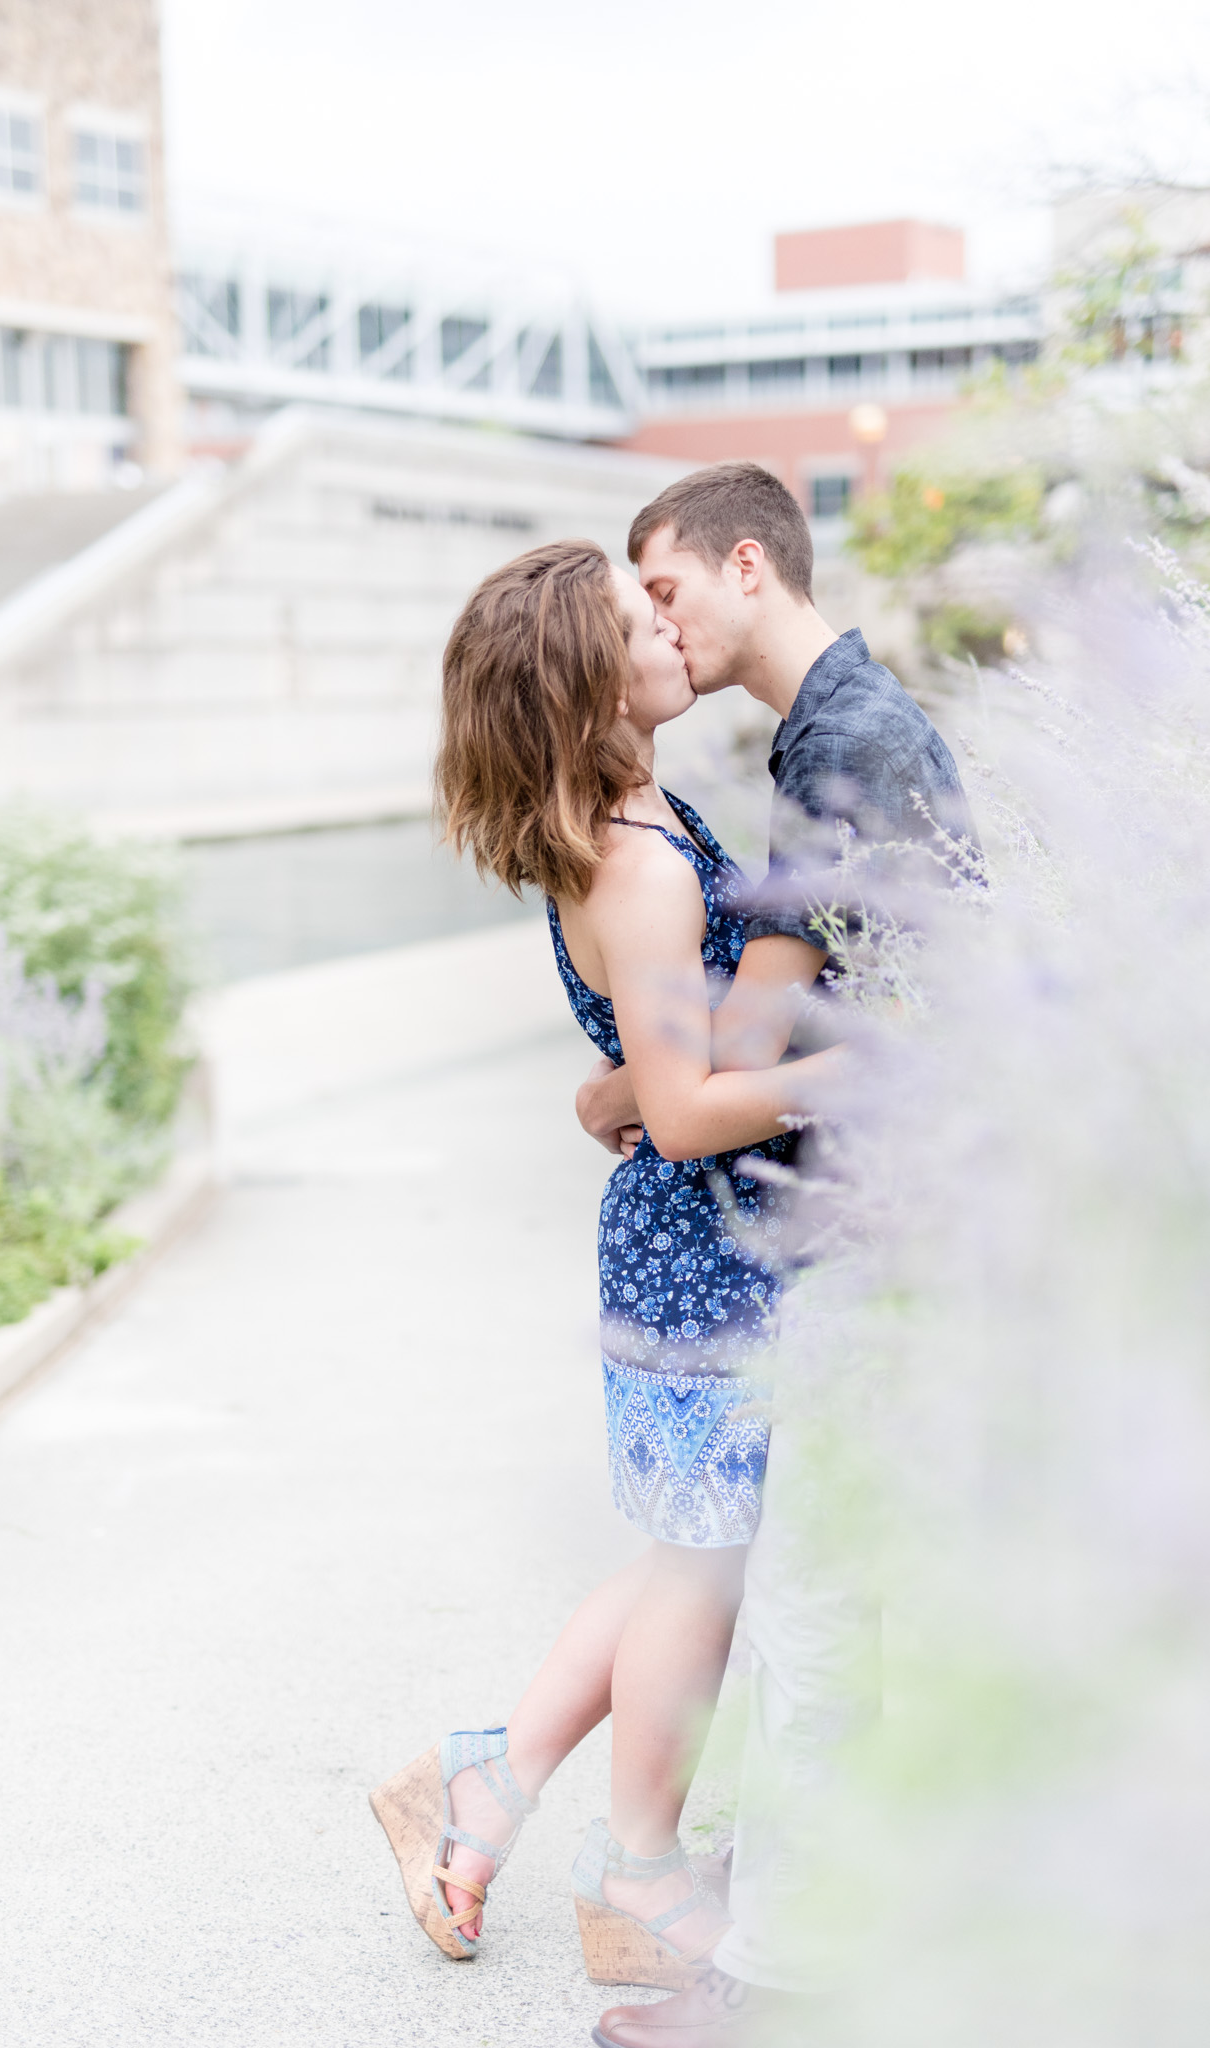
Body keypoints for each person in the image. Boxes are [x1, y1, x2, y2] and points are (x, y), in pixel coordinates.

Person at [369, 539, 845, 1994]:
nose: (673, 624)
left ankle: (481, 1786)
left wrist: (619, 1093)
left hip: (689, 1242)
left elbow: (645, 1078)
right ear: (594, 674)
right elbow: (693, 1107)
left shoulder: (640, 814)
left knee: (691, 1555)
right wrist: (863, 1070)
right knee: (704, 1566)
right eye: (645, 617)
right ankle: (633, 1869)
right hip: (700, 1255)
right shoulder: (636, 864)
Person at [579, 463, 976, 2048]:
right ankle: (823, 1903)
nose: (658, 627)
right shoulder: (836, 732)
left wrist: (625, 1086)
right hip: (887, 1216)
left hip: (884, 1221)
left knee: (811, 1603)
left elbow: (756, 1044)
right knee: (830, 1595)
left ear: (750, 565)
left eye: (665, 591)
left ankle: (784, 1987)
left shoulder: (847, 749)